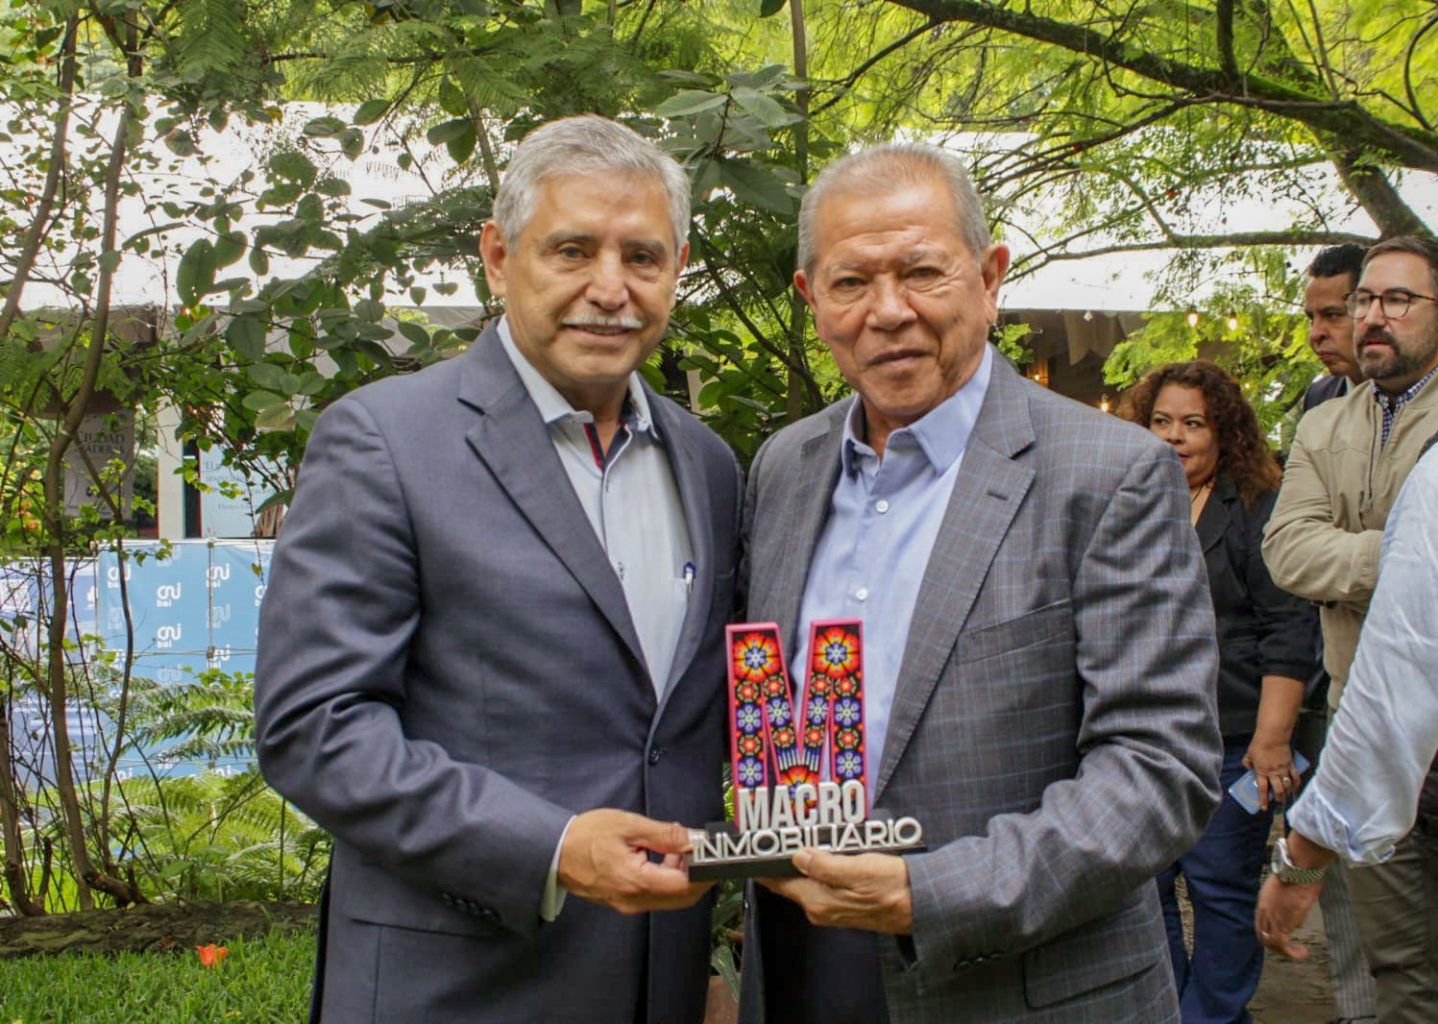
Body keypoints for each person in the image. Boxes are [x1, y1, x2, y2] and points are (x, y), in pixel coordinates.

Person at [253, 115, 741, 1023]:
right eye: (572, 250)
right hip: (455, 988)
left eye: (641, 256)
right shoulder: (386, 441)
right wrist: (551, 847)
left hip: (660, 983)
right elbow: (314, 728)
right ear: (497, 255)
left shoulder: (710, 466)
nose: (610, 288)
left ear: (677, 268)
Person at [736, 142, 1223, 1023]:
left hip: (1019, 986)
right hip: (805, 964)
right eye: (851, 283)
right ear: (811, 299)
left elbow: (1160, 770)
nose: (889, 311)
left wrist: (931, 893)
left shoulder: (1110, 474)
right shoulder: (784, 466)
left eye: (922, 272)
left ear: (990, 278)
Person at [1258, 194, 1438, 1023]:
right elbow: (1287, 550)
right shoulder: (1324, 420)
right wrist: (1408, 556)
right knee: (1400, 972)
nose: (1372, 317)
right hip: (1427, 770)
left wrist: (1301, 858)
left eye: (1398, 300)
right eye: (1364, 301)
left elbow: (1403, 678)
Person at [1123, 361, 1316, 1023]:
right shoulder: (1126, 498)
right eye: (1161, 421)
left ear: (1223, 431)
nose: (1174, 437)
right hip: (1142, 737)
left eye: (1193, 424)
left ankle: (1214, 1017)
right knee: (1141, 893)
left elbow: (1288, 627)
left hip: (1232, 740)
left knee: (1220, 892)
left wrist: (1273, 740)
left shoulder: (1257, 505)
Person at [1296, 242, 1381, 1024]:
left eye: (1334, 314)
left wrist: (1337, 555)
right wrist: (1387, 554)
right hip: (1328, 672)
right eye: (1312, 316)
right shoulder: (1320, 401)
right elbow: (1290, 546)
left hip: (1417, 679)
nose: (1320, 333)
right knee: (1344, 859)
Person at [1301, 244, 1366, 412]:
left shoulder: (1421, 393)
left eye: (1332, 315)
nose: (1315, 335)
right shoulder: (1318, 397)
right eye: (1311, 319)